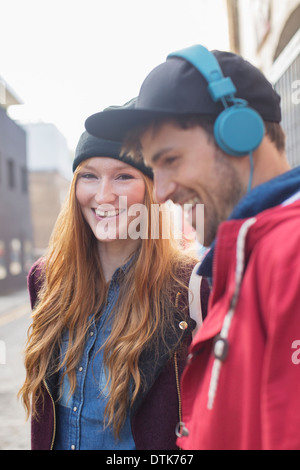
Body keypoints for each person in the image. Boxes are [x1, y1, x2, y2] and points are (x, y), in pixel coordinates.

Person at [84, 45, 300, 450]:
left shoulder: (290, 253)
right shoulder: (243, 256)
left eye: (171, 160)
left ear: (240, 133)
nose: (160, 192)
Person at [19, 129, 208, 450]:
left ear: (151, 188)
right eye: (89, 176)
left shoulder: (192, 286)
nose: (104, 195)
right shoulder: (46, 278)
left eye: (123, 176)